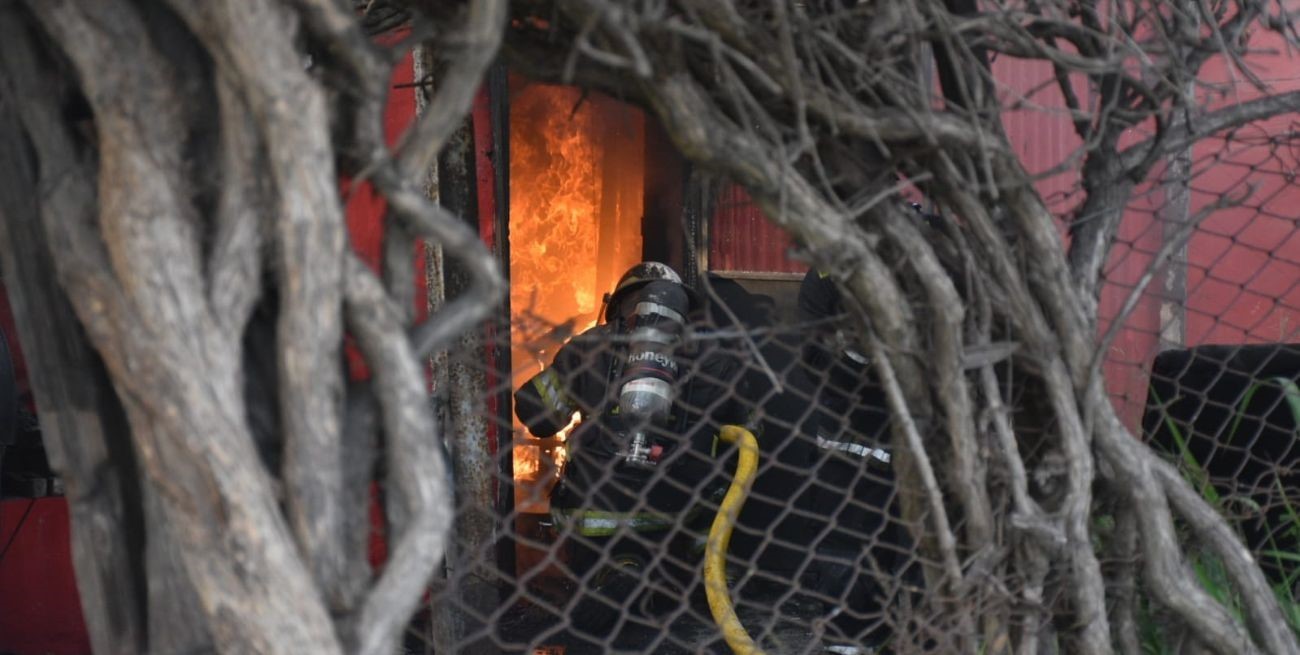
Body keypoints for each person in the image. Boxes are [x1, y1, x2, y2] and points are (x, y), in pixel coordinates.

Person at [514, 262, 751, 635]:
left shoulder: (590, 346)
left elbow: (538, 416)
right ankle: (675, 591)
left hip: (597, 508)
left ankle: (612, 576)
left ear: (621, 303)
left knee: (594, 584)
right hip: (678, 514)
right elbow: (749, 432)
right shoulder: (715, 356)